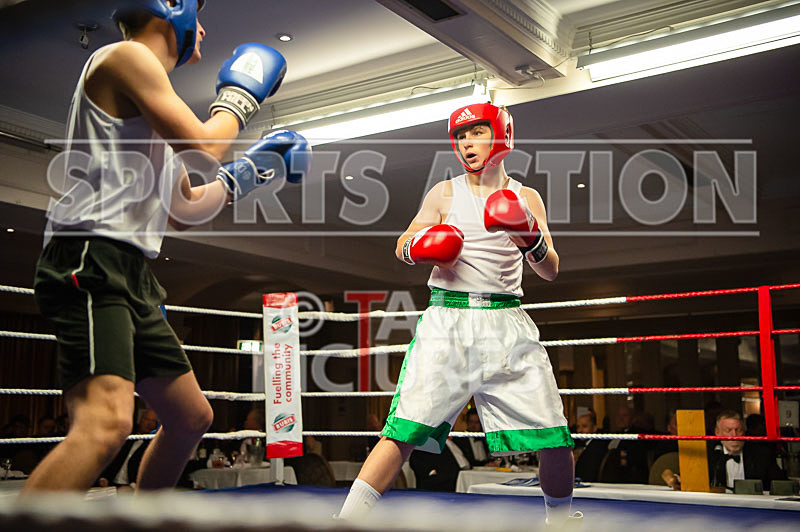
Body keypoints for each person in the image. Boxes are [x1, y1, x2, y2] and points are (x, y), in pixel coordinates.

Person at [24, 0, 309, 493]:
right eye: (196, 15)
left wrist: (250, 174)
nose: (201, 30)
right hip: (89, 255)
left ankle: (142, 518)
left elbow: (185, 207)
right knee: (105, 425)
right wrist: (240, 97)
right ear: (167, 6)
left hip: (128, 267)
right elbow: (203, 148)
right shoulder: (126, 56)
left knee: (191, 417)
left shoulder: (152, 111)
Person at [336, 102, 579, 526]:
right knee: (405, 429)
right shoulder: (444, 192)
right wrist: (422, 245)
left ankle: (559, 521)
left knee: (553, 435)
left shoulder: (527, 196)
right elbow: (402, 242)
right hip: (448, 320)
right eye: (462, 136)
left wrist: (529, 236)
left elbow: (551, 268)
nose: (467, 143)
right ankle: (347, 520)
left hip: (507, 322)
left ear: (501, 134)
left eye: (478, 133)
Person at [708, 410, 786, 492]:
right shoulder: (710, 455)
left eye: (738, 430)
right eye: (728, 430)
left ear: (744, 432)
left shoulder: (762, 454)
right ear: (717, 432)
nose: (734, 435)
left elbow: (782, 486)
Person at [573, 413, 608, 482]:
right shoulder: (578, 444)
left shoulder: (598, 448)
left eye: (584, 426)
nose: (580, 430)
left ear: (594, 428)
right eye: (578, 427)